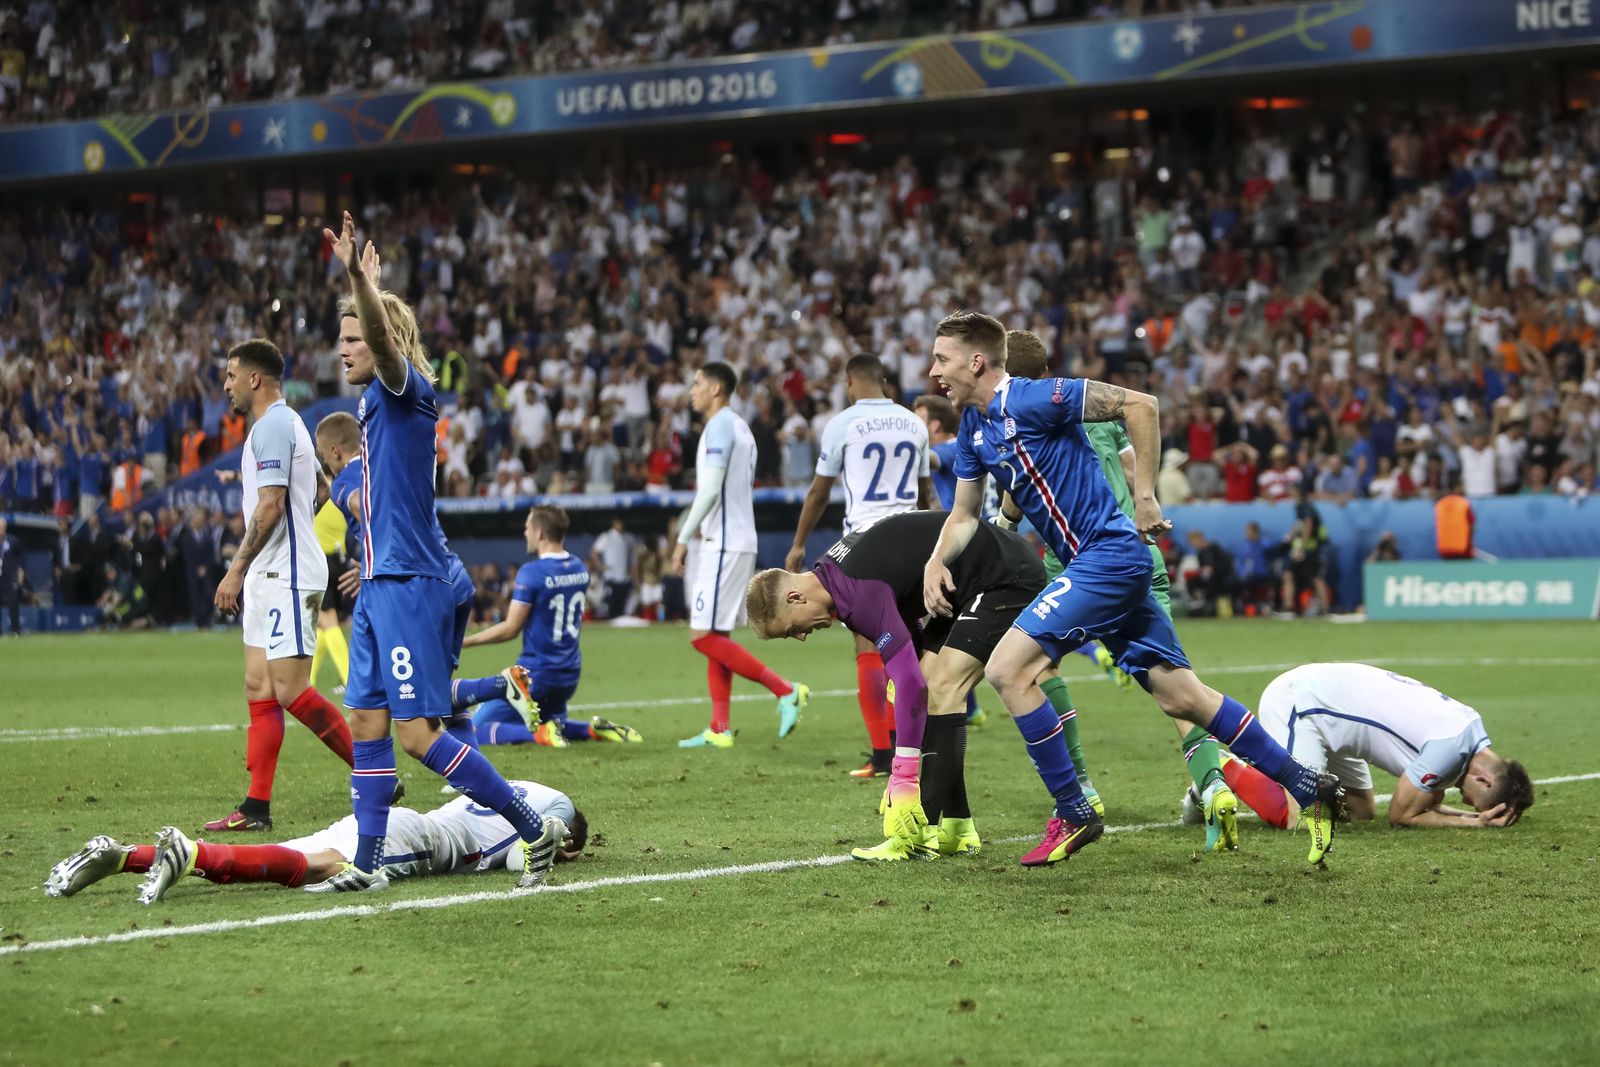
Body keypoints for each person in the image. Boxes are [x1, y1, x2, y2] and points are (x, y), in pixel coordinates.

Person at [924, 310, 1342, 869]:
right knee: (1183, 697)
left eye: (942, 359)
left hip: (1109, 557)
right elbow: (965, 514)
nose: (934, 373)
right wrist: (936, 561)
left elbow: (1141, 404)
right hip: (1098, 566)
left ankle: (1074, 810)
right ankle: (1311, 787)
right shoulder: (975, 429)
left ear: (976, 361)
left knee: (1007, 669)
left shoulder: (1031, 398)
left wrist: (1145, 495)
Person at [321, 210, 563, 892]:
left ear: (380, 337)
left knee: (419, 734)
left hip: (410, 582)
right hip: (378, 583)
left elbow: (384, 345)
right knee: (366, 720)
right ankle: (368, 865)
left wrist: (360, 284)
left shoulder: (406, 391)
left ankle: (530, 824)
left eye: (351, 338)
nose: (342, 349)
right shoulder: (371, 405)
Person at [1000, 329, 1238, 850]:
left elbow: (1016, 500)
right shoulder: (1095, 410)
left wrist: (1000, 525)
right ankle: (1212, 783)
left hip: (1080, 564)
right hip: (1138, 552)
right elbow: (1132, 469)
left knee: (1034, 669)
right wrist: (1146, 503)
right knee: (1176, 684)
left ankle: (1081, 784)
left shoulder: (1026, 418)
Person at [749, 512, 1054, 861]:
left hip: (1003, 575)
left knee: (938, 689)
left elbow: (913, 683)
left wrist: (903, 777)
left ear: (794, 599)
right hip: (970, 580)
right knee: (933, 687)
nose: (801, 636)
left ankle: (917, 837)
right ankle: (957, 826)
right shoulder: (832, 574)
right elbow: (908, 623)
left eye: (791, 629)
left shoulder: (855, 593)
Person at [205, 339, 351, 833]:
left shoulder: (272, 426)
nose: (225, 384)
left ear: (254, 379)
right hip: (273, 571)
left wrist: (235, 569)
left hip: (285, 573)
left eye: (230, 374)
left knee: (290, 689)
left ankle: (374, 768)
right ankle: (255, 808)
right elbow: (316, 490)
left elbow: (271, 504)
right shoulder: (284, 427)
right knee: (258, 686)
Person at [44, 780, 587, 902]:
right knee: (316, 867)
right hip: (422, 839)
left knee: (282, 859)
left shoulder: (514, 788)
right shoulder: (545, 818)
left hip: (390, 817)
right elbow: (535, 846)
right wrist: (557, 848)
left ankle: (125, 856)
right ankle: (193, 854)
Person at [786, 354, 932, 779]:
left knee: (868, 648)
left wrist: (798, 544)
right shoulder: (914, 423)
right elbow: (925, 494)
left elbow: (818, 492)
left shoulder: (841, 424)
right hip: (913, 542)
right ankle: (916, 748)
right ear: (884, 381)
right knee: (909, 649)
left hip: (866, 547)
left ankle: (883, 754)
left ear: (850, 382)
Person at [315, 410, 485, 759]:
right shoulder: (393, 464)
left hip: (418, 586)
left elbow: (368, 508)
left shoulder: (348, 478)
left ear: (334, 451)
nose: (323, 464)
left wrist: (380, 568)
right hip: (455, 580)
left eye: (321, 456)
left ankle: (497, 687)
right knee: (434, 697)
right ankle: (471, 776)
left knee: (410, 720)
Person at [1207, 664, 1534, 830]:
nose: (1465, 800)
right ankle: (1222, 769)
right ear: (1485, 780)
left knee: (1360, 811)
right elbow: (1401, 815)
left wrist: (1469, 818)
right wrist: (1473, 822)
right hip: (1301, 703)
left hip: (1332, 710)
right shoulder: (1451, 748)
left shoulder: (1470, 730)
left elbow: (1426, 806)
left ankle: (1255, 773)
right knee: (1305, 818)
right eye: (1476, 802)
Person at [670, 361, 809, 749]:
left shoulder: (719, 426)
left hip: (723, 541)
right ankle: (719, 727)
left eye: (696, 382)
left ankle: (785, 690)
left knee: (702, 637)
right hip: (736, 538)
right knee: (716, 634)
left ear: (716, 388)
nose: (692, 390)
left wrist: (682, 536)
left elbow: (710, 489)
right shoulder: (739, 426)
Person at [459, 505, 642, 747]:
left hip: (535, 674)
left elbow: (511, 628)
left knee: (475, 728)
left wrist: (465, 641)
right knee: (549, 721)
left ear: (540, 533)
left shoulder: (532, 572)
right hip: (568, 673)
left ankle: (540, 735)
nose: (525, 533)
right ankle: (592, 729)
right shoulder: (579, 568)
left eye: (527, 527)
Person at [589, 515, 635, 620]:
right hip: (611, 578)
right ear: (614, 523)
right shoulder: (606, 537)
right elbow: (593, 552)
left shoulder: (626, 538)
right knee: (611, 607)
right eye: (619, 523)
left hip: (623, 578)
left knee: (621, 609)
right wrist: (600, 566)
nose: (621, 525)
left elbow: (631, 559)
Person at [0, 516, 23, 636]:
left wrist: (20, 572)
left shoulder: (13, 541)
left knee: (13, 603)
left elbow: (21, 558)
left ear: (4, 528)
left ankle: (16, 630)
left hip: (10, 576)